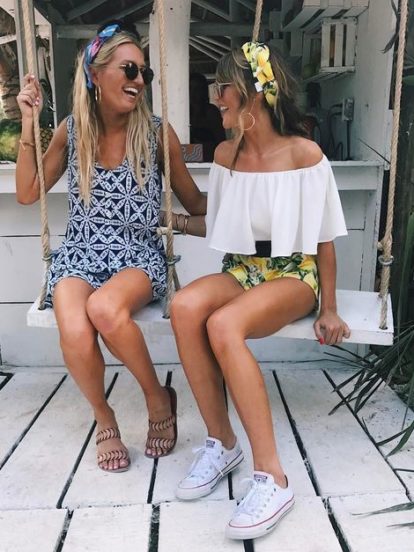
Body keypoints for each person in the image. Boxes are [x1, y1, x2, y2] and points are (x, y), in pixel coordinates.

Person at [169, 42, 350, 540]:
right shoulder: (226, 155)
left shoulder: (304, 154)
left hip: (294, 273)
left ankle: (274, 478)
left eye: (221, 88)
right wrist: (170, 218)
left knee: (224, 324)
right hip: (244, 269)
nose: (215, 99)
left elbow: (324, 239)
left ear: (252, 94)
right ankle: (223, 444)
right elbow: (216, 222)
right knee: (184, 307)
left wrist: (330, 307)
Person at [15, 21, 206, 473]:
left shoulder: (156, 133)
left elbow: (196, 203)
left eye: (144, 72)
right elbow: (27, 192)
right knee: (73, 323)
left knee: (103, 308)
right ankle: (104, 417)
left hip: (137, 256)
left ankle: (157, 399)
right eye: (129, 69)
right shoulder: (72, 132)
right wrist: (29, 122)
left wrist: (247, 181)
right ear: (95, 74)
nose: (139, 80)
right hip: (80, 254)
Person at [189, 72, 226, 161]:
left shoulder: (212, 112)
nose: (193, 93)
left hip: (210, 160)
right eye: (190, 88)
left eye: (197, 89)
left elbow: (221, 140)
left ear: (203, 91)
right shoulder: (183, 114)